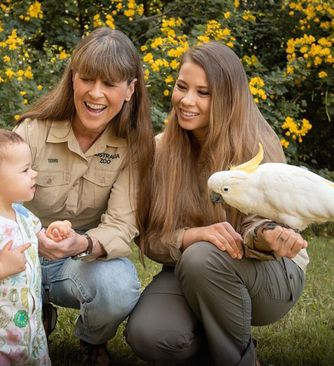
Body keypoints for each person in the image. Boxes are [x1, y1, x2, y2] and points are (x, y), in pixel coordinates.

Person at [0, 27, 154, 366]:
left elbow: (121, 226)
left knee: (119, 285)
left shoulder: (135, 147)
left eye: (110, 84)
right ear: (73, 79)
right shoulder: (33, 131)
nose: (95, 93)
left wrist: (80, 245)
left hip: (77, 262)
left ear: (130, 90)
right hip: (17, 260)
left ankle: (92, 341)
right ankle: (35, 313)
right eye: (87, 79)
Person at [125, 41, 309, 366]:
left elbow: (266, 225)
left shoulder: (257, 146)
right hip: (189, 269)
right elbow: (149, 238)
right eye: (182, 87)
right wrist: (191, 236)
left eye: (203, 93)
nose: (187, 100)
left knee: (201, 259)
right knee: (149, 335)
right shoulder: (159, 151)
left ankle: (240, 359)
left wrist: (267, 236)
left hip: (270, 272)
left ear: (226, 97)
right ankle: (216, 335)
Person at [0, 128, 51, 365]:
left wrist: (56, 233)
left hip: (31, 333)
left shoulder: (22, 213)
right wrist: (0, 268)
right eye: (25, 170)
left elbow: (42, 238)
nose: (34, 174)